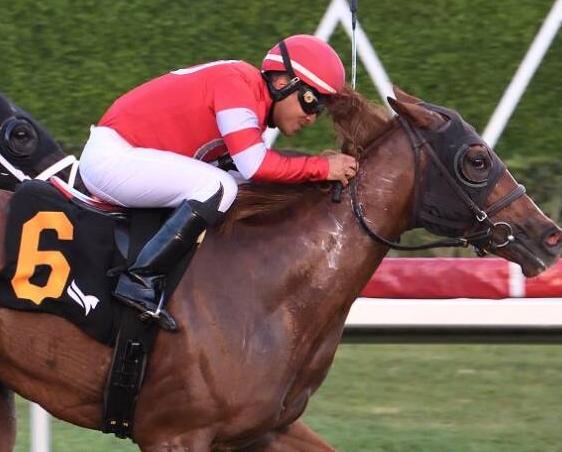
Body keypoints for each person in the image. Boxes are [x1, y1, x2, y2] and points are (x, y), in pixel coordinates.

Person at [79, 35, 359, 330]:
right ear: (282, 82)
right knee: (219, 187)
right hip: (112, 159)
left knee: (236, 186)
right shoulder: (237, 85)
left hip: (129, 157)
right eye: (310, 102)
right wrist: (322, 168)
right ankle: (139, 280)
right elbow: (256, 165)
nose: (311, 118)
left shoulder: (249, 98)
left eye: (319, 109)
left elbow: (252, 174)